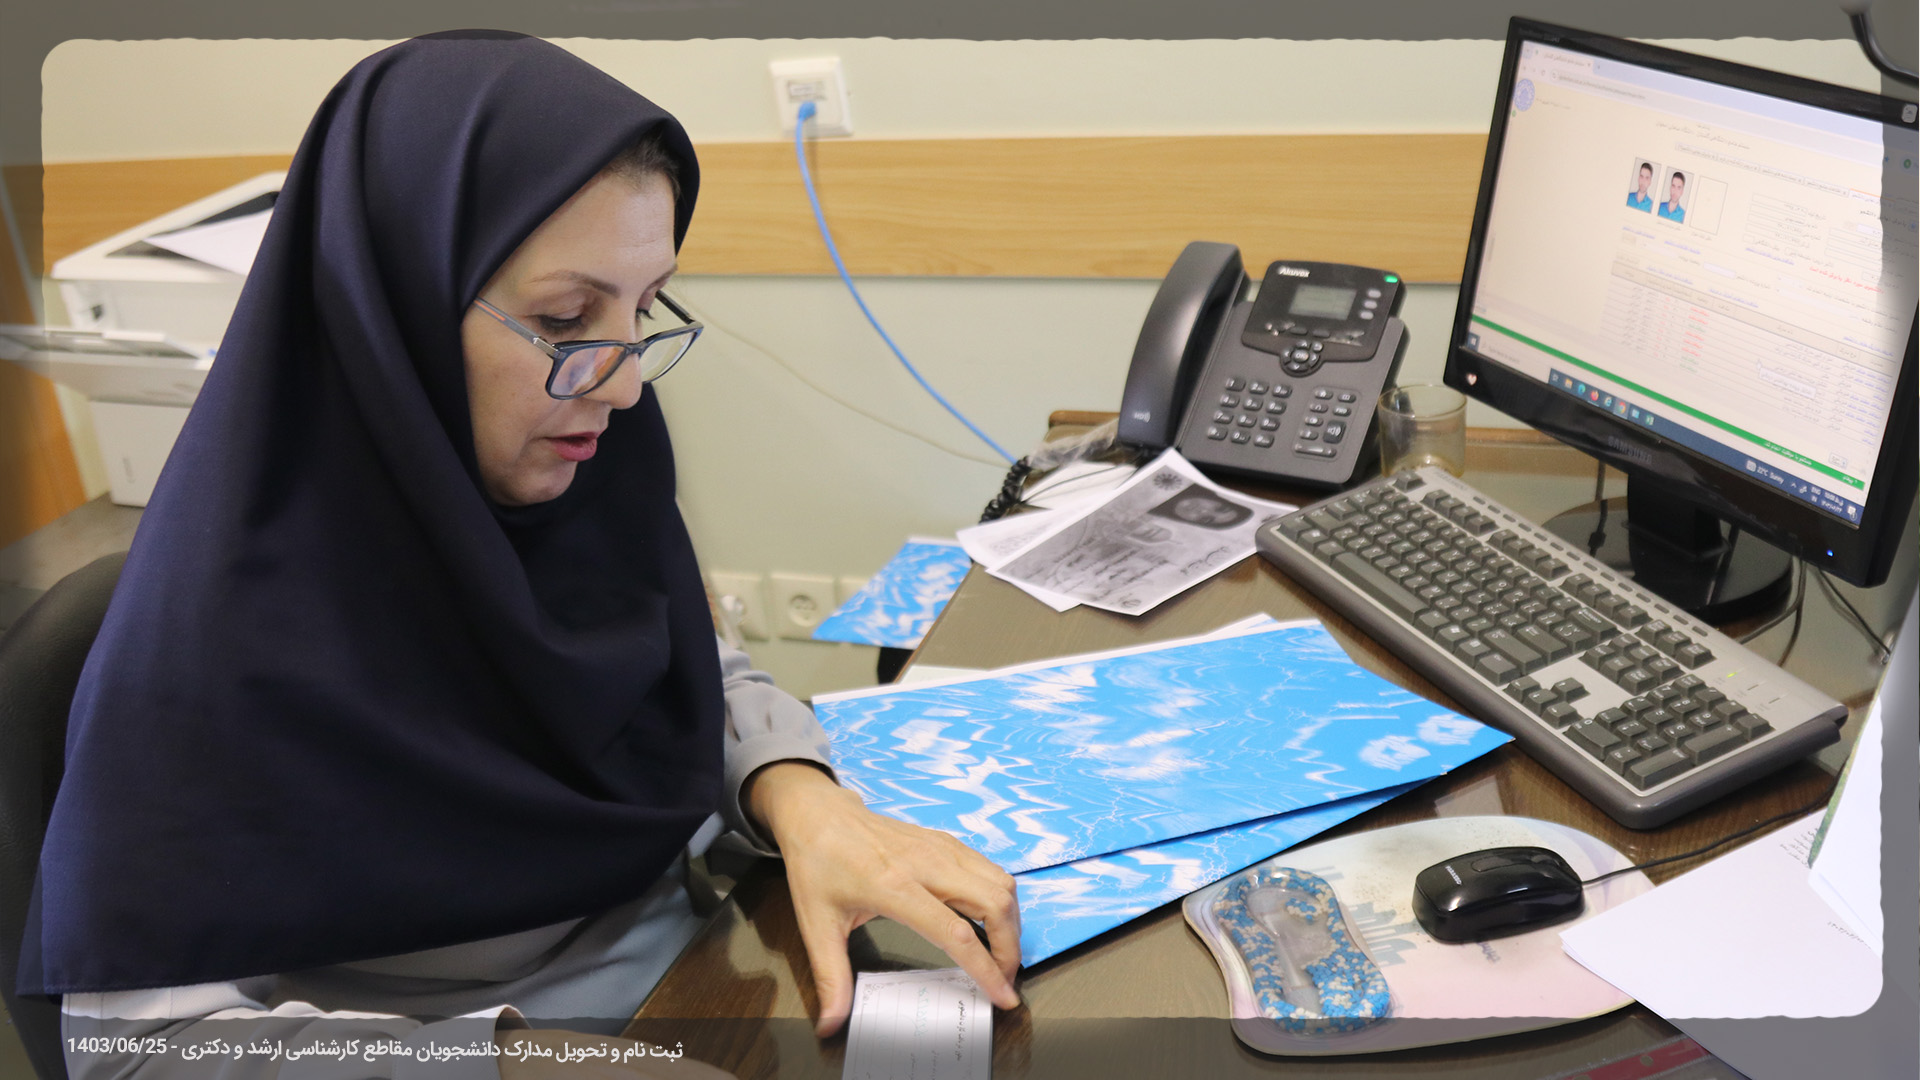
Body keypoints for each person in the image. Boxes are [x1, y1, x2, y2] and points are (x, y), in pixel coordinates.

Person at [25, 31, 1019, 1079]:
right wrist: (516, 1065)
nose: (623, 386)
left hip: (707, 982)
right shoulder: (205, 640)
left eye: (645, 308)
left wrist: (799, 795)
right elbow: (134, 1050)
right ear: (396, 307)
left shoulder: (585, 479)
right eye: (566, 317)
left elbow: (692, 670)